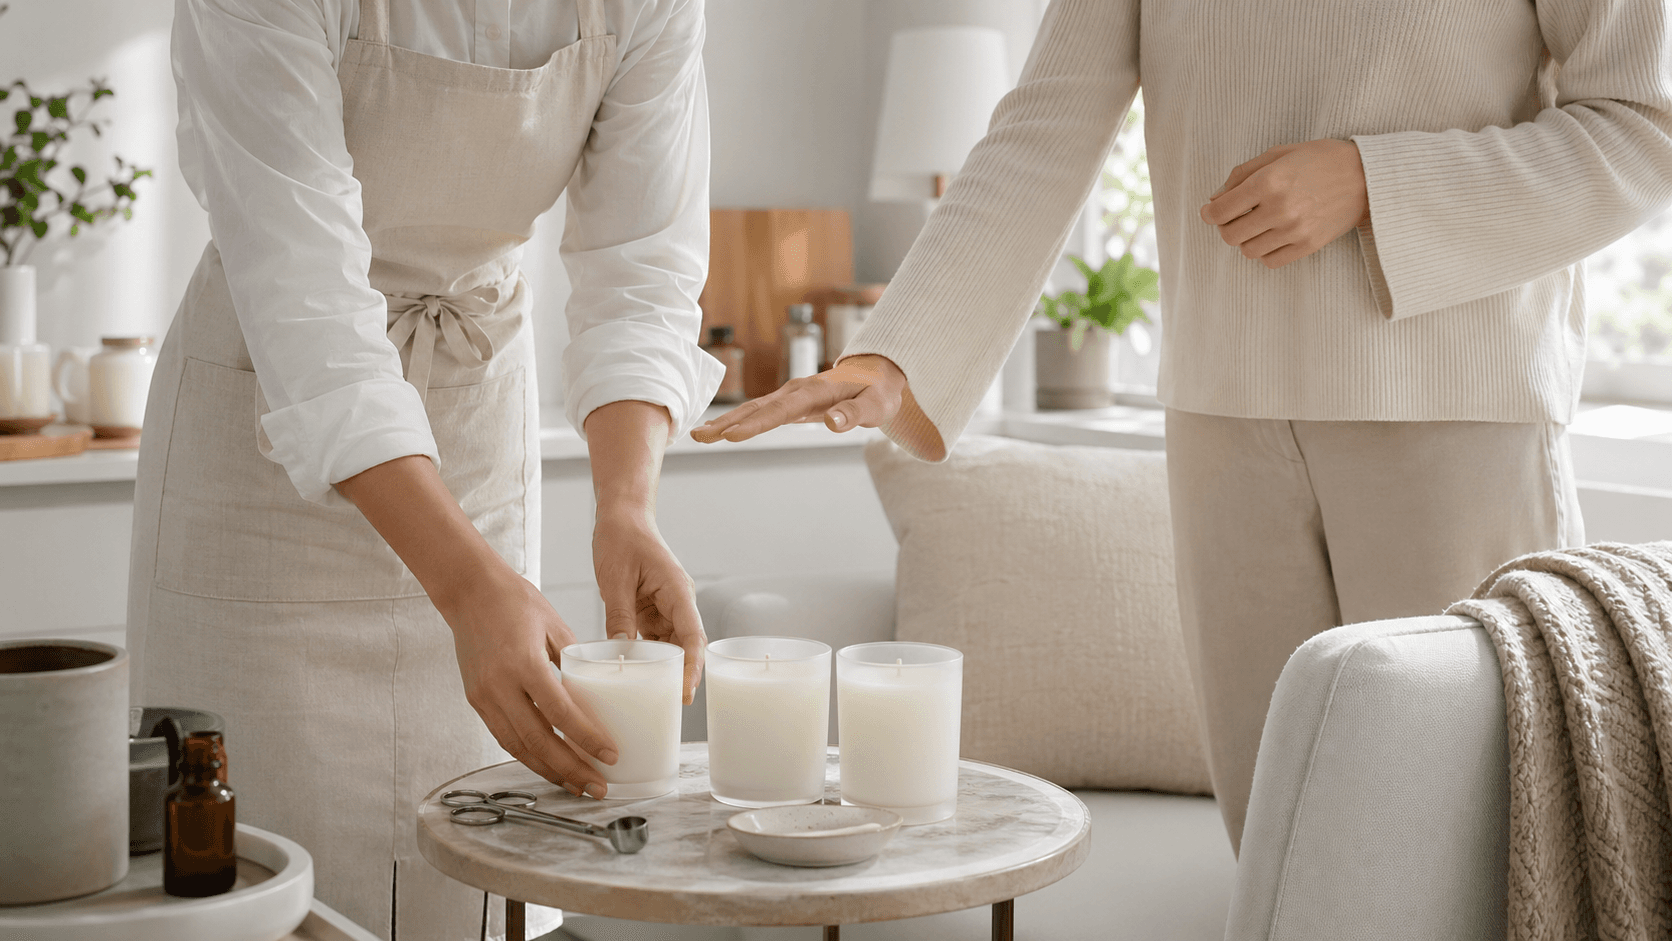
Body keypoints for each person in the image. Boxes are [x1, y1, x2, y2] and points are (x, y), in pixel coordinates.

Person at [695, 0, 1672, 854]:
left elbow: (1641, 123)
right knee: (1277, 842)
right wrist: (893, 357)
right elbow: (1046, 121)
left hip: (1454, 411)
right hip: (1221, 420)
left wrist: (1376, 179)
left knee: (1477, 831)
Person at [129, 0, 721, 936]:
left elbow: (639, 271)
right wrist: (468, 583)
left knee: (473, 880)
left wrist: (627, 506)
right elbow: (307, 300)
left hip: (473, 416)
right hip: (263, 447)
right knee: (268, 881)